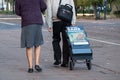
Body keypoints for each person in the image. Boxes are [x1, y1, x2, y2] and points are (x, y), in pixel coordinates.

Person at [15, 0, 47, 73]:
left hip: (27, 21)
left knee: (29, 45)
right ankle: (37, 64)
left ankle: (30, 67)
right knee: (37, 44)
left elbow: (17, 11)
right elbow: (44, 6)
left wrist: (25, 13)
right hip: (37, 20)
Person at [46, 0, 76, 67]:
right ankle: (65, 61)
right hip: (67, 20)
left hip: (56, 21)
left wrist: (49, 24)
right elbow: (72, 7)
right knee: (66, 41)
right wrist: (73, 21)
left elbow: (49, 10)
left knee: (56, 40)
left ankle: (58, 59)